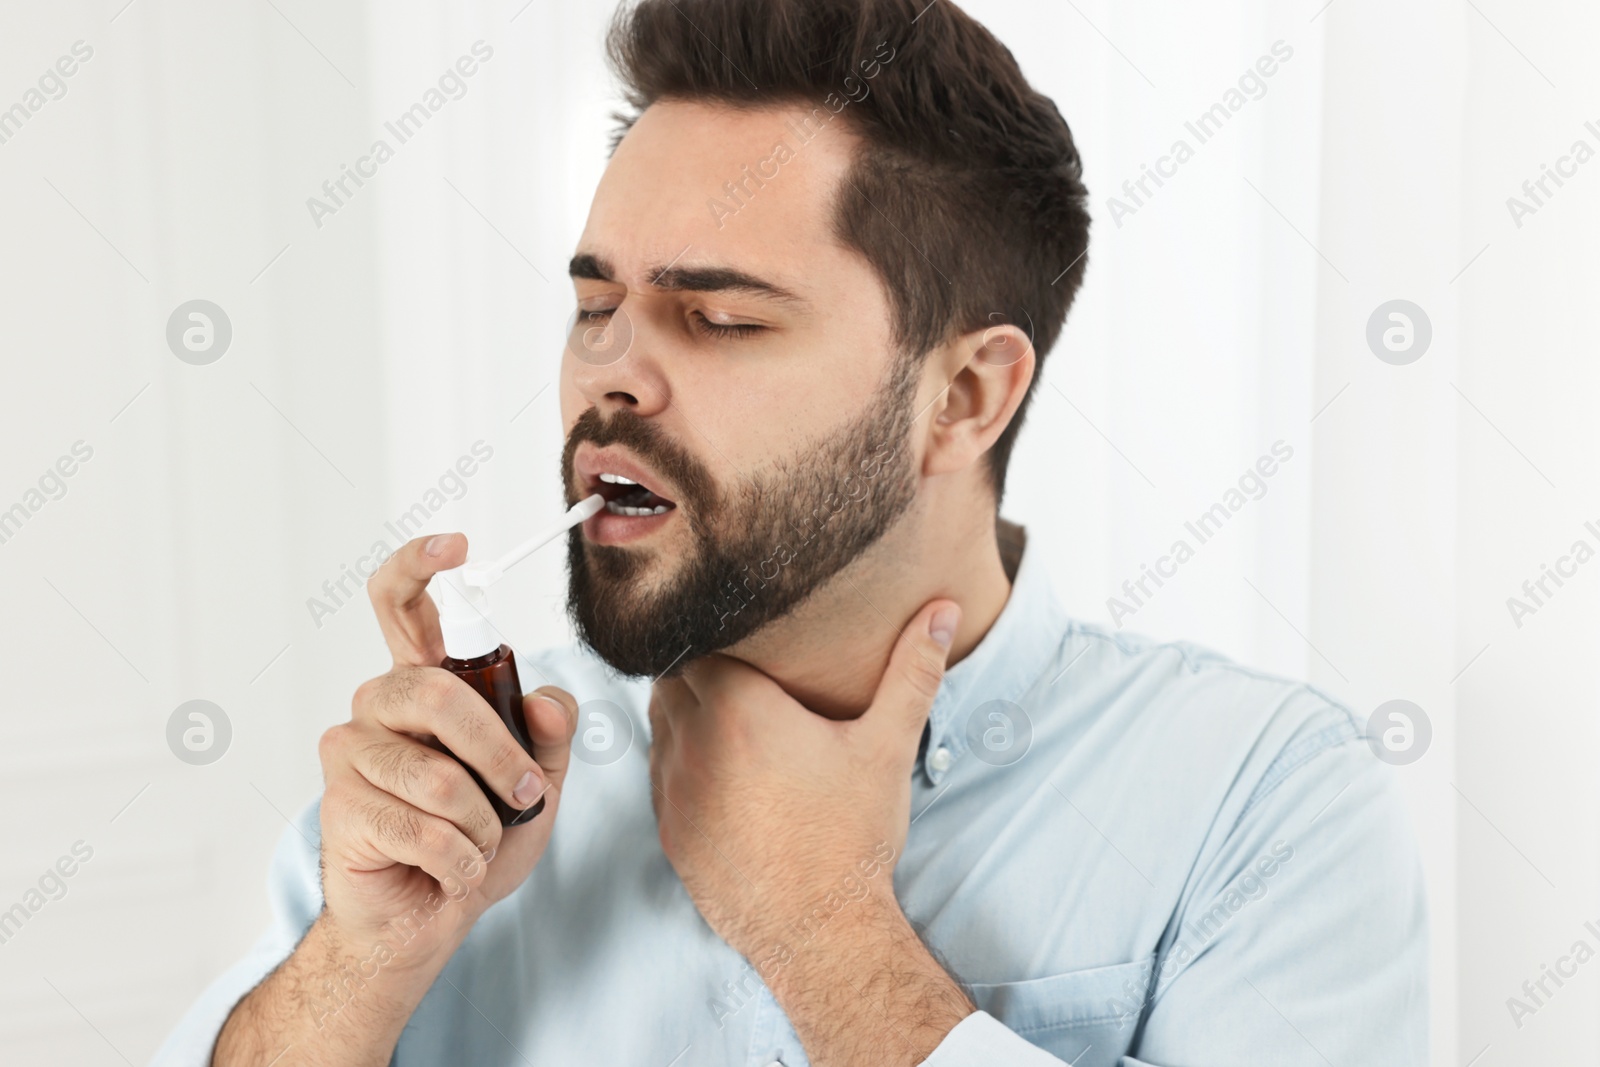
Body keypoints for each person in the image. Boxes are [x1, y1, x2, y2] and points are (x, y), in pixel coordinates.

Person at [158, 0, 1427, 1063]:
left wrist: (823, 930)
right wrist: (361, 963)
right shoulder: (466, 787)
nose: (612, 377)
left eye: (718, 320)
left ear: (966, 395)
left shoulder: (1262, 804)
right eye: (597, 304)